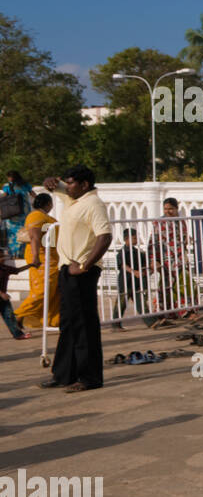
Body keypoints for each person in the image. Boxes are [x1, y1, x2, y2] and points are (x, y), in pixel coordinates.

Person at [38, 166, 111, 392]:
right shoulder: (74, 200)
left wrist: (85, 265)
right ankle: (64, 375)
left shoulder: (93, 204)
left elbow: (105, 236)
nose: (67, 187)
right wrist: (52, 181)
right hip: (66, 270)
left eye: (71, 183)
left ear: (84, 185)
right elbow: (55, 186)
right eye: (67, 183)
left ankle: (89, 378)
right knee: (68, 324)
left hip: (82, 272)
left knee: (84, 326)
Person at [13, 193, 59, 330]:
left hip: (51, 258)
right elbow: (34, 237)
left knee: (53, 291)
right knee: (42, 291)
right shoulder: (36, 216)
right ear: (49, 203)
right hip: (41, 259)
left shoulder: (46, 217)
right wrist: (35, 257)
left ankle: (52, 319)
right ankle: (17, 316)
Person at [148, 197, 194, 321]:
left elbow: (182, 238)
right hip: (166, 259)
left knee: (183, 283)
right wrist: (153, 259)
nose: (168, 211)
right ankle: (165, 313)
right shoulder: (159, 222)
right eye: (165, 209)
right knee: (168, 285)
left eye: (171, 209)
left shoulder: (181, 221)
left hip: (180, 258)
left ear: (176, 208)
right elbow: (153, 242)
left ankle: (183, 311)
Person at [113, 227, 147, 327]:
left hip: (136, 282)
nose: (136, 240)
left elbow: (143, 263)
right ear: (126, 239)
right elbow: (123, 265)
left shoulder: (137, 252)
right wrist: (134, 272)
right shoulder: (123, 252)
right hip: (126, 281)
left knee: (141, 302)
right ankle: (115, 324)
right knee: (121, 304)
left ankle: (151, 321)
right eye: (134, 238)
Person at [0, 256, 34, 339]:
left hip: (3, 298)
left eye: (3, 257)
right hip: (2, 295)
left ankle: (18, 334)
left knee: (9, 316)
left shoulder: (5, 268)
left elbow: (17, 270)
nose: (3, 259)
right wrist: (1, 294)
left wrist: (30, 265)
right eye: (1, 257)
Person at [2, 171, 34, 258]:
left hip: (13, 213)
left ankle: (15, 254)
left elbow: (4, 198)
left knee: (13, 235)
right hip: (24, 212)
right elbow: (33, 194)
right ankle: (23, 254)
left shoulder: (7, 186)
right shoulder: (25, 185)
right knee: (24, 232)